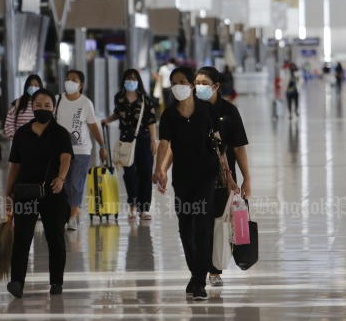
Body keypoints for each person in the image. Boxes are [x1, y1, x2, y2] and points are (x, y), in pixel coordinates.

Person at [153, 66, 234, 301]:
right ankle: (195, 274)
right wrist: (160, 169)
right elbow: (164, 144)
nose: (178, 85)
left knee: (202, 228)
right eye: (174, 81)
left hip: (206, 177)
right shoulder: (169, 115)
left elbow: (219, 144)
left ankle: (199, 281)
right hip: (183, 179)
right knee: (185, 228)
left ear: (190, 85)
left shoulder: (206, 110)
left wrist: (228, 174)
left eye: (182, 81)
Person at [5, 89, 73, 299]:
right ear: (31, 107)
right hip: (25, 192)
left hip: (53, 192)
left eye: (47, 105)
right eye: (38, 105)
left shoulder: (60, 133)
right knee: (22, 239)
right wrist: (8, 193)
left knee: (55, 238)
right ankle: (17, 282)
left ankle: (56, 282)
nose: (42, 109)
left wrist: (61, 179)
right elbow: (14, 166)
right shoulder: (22, 133)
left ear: (53, 108)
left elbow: (66, 158)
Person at [194, 66, 250, 288]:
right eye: (196, 82)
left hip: (222, 179)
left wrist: (247, 178)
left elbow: (239, 148)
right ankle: (199, 269)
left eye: (204, 83)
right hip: (194, 178)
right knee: (199, 225)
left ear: (216, 86)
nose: (199, 87)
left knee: (218, 224)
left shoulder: (229, 111)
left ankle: (214, 271)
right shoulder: (189, 110)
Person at [101, 69, 158, 220]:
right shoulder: (119, 98)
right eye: (128, 78)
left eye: (133, 79)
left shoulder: (146, 99)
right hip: (126, 140)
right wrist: (107, 120)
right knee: (130, 174)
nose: (130, 81)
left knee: (145, 173)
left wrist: (154, 141)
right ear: (123, 81)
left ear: (138, 81)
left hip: (144, 138)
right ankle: (133, 205)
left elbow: (152, 121)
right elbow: (118, 113)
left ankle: (144, 208)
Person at [55, 69, 106, 230]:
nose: (70, 82)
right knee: (62, 183)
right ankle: (67, 212)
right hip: (61, 150)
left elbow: (93, 126)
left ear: (81, 85)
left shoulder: (85, 103)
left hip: (81, 150)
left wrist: (102, 146)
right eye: (68, 79)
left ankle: (73, 216)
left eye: (74, 80)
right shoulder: (57, 100)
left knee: (75, 184)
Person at [3, 74, 43, 139]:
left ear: (40, 87)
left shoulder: (44, 104)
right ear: (26, 87)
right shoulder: (18, 103)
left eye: (36, 85)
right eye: (30, 85)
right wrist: (15, 138)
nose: (33, 87)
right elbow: (9, 124)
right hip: (20, 144)